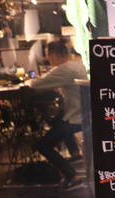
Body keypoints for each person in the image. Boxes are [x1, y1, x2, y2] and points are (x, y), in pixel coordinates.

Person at [28, 40, 87, 189]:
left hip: (76, 117)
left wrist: (29, 80)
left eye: (48, 55)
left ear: (53, 54)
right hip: (84, 113)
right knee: (56, 121)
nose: (47, 58)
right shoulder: (78, 64)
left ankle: (72, 176)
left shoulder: (64, 69)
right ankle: (75, 154)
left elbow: (36, 85)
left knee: (42, 145)